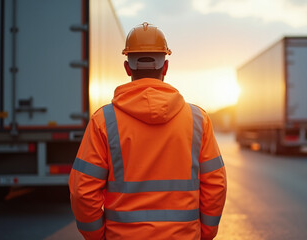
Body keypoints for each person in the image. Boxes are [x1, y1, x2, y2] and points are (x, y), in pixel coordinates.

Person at [69, 22, 227, 240]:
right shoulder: (198, 119)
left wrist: (96, 235)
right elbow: (216, 184)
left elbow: (82, 191)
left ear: (127, 68)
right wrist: (205, 233)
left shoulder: (104, 121)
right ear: (165, 67)